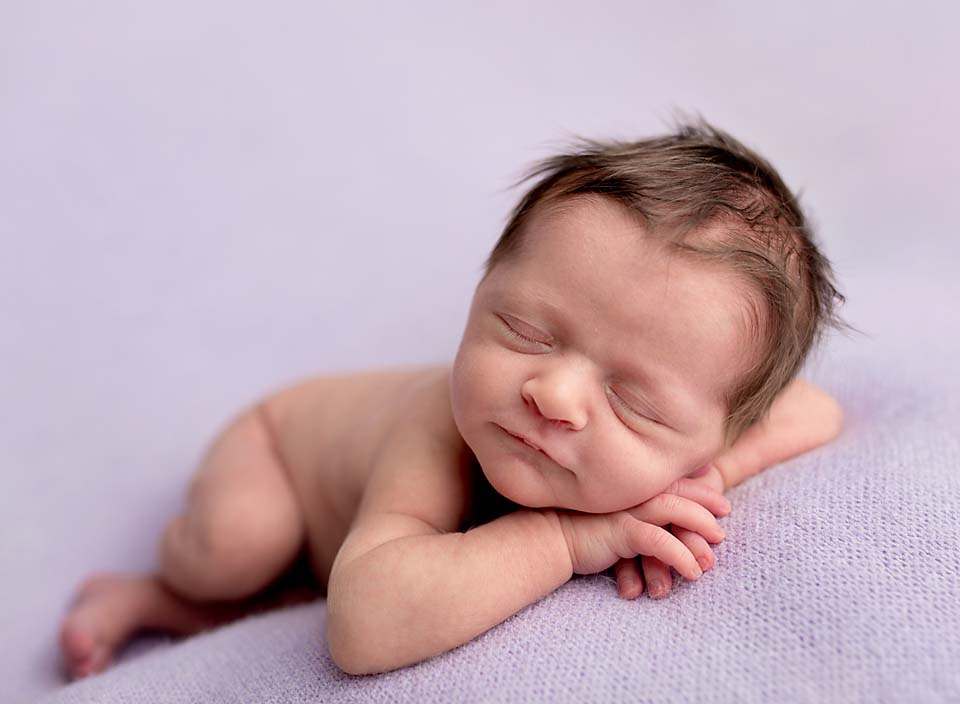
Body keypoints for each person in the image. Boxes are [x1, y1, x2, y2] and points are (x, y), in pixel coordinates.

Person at [58, 116, 850, 679]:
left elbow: (817, 411)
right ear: (482, 289)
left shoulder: (700, 430)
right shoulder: (440, 429)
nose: (555, 394)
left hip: (354, 540)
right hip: (280, 451)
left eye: (637, 402)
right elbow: (362, 627)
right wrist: (571, 542)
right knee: (237, 549)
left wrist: (689, 484)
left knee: (301, 584)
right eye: (526, 330)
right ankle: (159, 588)